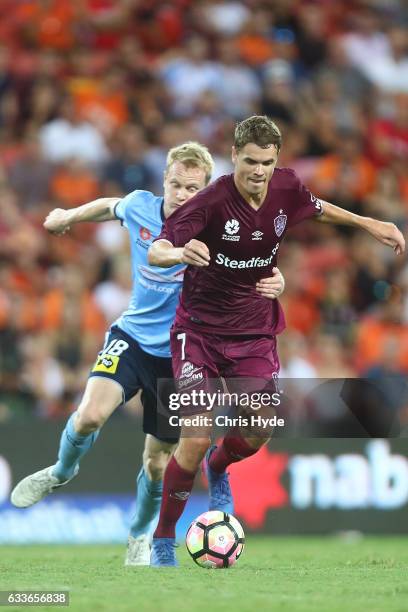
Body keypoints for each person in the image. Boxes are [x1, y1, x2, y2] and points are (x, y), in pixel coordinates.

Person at [10, 141, 285, 566]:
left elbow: (258, 260)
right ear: (164, 181)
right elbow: (109, 206)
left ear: (206, 188)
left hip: (183, 354)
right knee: (89, 415)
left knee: (157, 464)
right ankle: (62, 471)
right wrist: (68, 216)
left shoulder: (220, 226)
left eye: (192, 188)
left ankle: (139, 534)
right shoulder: (141, 207)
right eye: (175, 184)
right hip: (133, 338)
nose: (181, 194)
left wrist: (276, 281)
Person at [147, 115, 405, 566]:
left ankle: (219, 465)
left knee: (260, 428)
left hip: (254, 332)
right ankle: (164, 538)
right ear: (234, 157)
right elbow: (158, 247)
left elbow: (321, 208)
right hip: (199, 333)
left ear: (276, 160)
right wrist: (179, 253)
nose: (258, 171)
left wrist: (370, 223)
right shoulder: (210, 201)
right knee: (194, 435)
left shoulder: (286, 188)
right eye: (249, 161)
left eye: (266, 162)